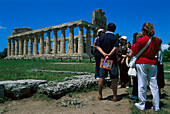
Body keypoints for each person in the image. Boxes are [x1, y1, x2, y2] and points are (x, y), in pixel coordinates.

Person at [126, 22, 160, 111]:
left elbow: (131, 53)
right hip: (153, 63)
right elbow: (157, 52)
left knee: (142, 83)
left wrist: (128, 56)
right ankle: (156, 106)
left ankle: (142, 104)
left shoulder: (141, 40)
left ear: (144, 30)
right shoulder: (156, 41)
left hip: (141, 62)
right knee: (154, 85)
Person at [96, 23, 120, 101]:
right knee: (113, 78)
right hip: (112, 59)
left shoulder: (101, 37)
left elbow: (98, 47)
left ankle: (100, 95)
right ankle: (115, 96)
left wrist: (104, 54)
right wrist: (109, 54)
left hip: (103, 59)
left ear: (107, 28)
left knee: (101, 77)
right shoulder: (115, 37)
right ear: (114, 29)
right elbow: (116, 47)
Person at [130, 32, 143, 100]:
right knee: (143, 80)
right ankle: (142, 95)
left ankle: (134, 95)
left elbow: (131, 55)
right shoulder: (146, 45)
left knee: (135, 80)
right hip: (144, 63)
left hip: (137, 63)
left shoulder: (135, 45)